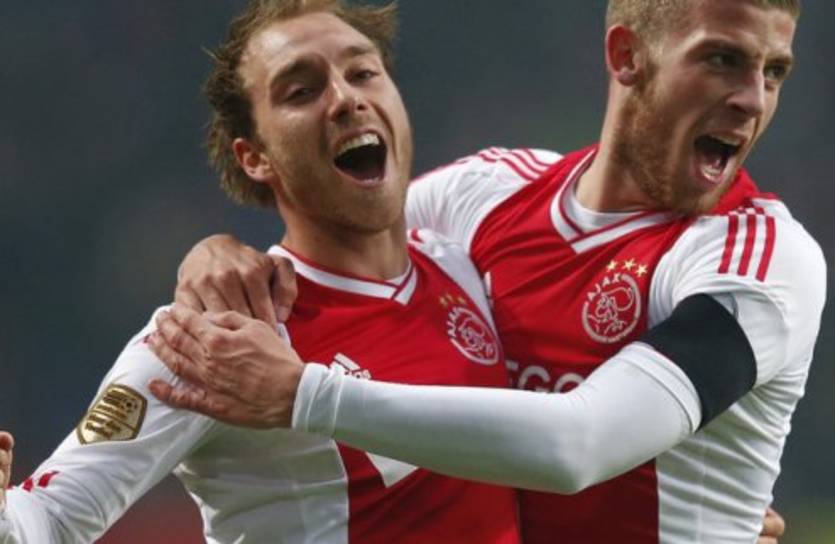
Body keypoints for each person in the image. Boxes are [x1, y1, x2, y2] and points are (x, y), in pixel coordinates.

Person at [154, 0, 824, 543]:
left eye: (773, 72)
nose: (751, 99)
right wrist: (220, 253)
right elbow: (332, 233)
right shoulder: (485, 195)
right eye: (721, 59)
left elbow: (579, 445)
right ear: (626, 56)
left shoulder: (759, 260)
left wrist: (305, 395)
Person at [0, 1, 524, 542]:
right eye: (301, 91)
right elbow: (51, 516)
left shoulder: (467, 263)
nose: (346, 99)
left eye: (363, 72)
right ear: (255, 157)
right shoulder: (216, 335)